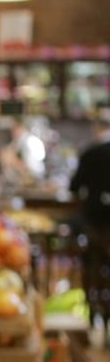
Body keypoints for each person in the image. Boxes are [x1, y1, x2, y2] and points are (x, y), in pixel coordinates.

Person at [70, 111, 110, 347]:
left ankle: (96, 314)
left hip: (96, 223)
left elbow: (75, 186)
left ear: (97, 128)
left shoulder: (90, 153)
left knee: (94, 265)